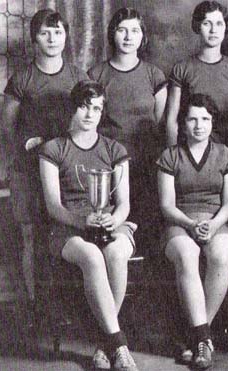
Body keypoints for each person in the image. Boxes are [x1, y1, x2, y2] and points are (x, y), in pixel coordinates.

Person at [39, 81, 139, 371]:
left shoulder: (114, 149)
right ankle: (118, 345)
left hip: (109, 222)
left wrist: (114, 220)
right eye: (84, 106)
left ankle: (103, 344)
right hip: (69, 226)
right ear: (74, 107)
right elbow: (53, 206)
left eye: (96, 108)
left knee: (117, 252)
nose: (89, 114)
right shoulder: (54, 148)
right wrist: (81, 220)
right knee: (93, 256)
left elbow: (124, 205)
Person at [0, 9, 88, 321]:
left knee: (67, 233)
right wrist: (27, 147)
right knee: (29, 235)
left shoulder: (78, 77)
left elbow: (87, 122)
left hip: (65, 171)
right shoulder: (22, 78)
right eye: (44, 33)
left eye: (58, 32)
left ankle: (67, 308)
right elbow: (8, 128)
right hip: (29, 169)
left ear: (66, 37)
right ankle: (34, 308)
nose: (52, 39)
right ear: (34, 38)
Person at [158, 94, 228, 369]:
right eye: (192, 119)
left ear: (213, 122)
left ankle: (198, 336)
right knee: (187, 252)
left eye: (205, 119)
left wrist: (214, 225)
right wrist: (191, 225)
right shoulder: (170, 155)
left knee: (223, 252)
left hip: (216, 221)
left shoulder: (225, 154)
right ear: (182, 123)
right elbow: (166, 206)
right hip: (180, 222)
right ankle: (203, 337)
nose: (199, 125)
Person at [88, 7, 168, 250]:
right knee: (112, 232)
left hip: (146, 164)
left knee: (148, 227)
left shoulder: (154, 74)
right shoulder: (97, 74)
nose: (128, 36)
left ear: (143, 37)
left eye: (134, 31)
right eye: (122, 30)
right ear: (113, 34)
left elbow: (159, 121)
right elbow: (91, 121)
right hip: (109, 165)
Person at [165, 0, 228, 153]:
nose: (213, 30)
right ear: (197, 27)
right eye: (206, 23)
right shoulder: (182, 69)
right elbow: (172, 121)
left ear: (225, 28)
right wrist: (173, 158)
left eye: (219, 24)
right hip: (191, 150)